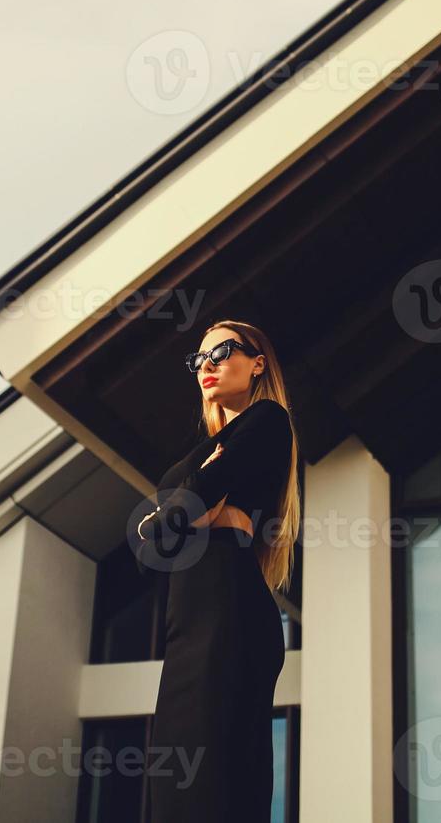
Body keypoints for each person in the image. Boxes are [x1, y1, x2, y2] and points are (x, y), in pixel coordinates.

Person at [134, 320, 300, 823]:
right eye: (198, 359)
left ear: (257, 362)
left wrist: (182, 506)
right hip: (188, 619)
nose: (206, 365)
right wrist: (193, 494)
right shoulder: (205, 450)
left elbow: (172, 518)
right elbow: (149, 547)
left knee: (215, 787)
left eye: (222, 351)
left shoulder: (267, 419)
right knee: (174, 786)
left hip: (229, 610)